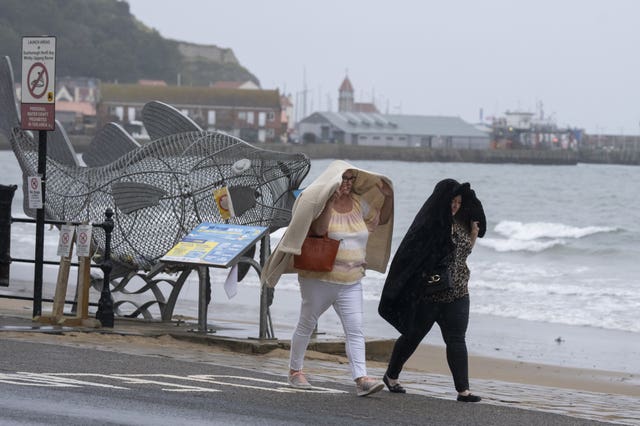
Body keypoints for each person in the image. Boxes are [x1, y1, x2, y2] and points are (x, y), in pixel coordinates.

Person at [262, 160, 394, 396]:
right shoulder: (320, 203)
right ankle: (295, 371)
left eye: (351, 179)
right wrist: (331, 203)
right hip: (319, 279)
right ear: (334, 180)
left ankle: (361, 378)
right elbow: (320, 231)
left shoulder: (358, 204)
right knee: (306, 323)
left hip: (352, 280)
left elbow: (381, 220)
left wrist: (387, 197)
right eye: (344, 179)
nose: (347, 184)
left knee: (355, 329)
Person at [378, 178, 486, 402]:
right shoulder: (430, 224)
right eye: (451, 201)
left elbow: (461, 255)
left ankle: (463, 391)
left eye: (458, 201)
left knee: (457, 338)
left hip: (458, 292)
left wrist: (473, 237)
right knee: (413, 336)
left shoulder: (460, 223)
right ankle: (391, 376)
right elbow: (412, 255)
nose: (455, 205)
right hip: (430, 294)